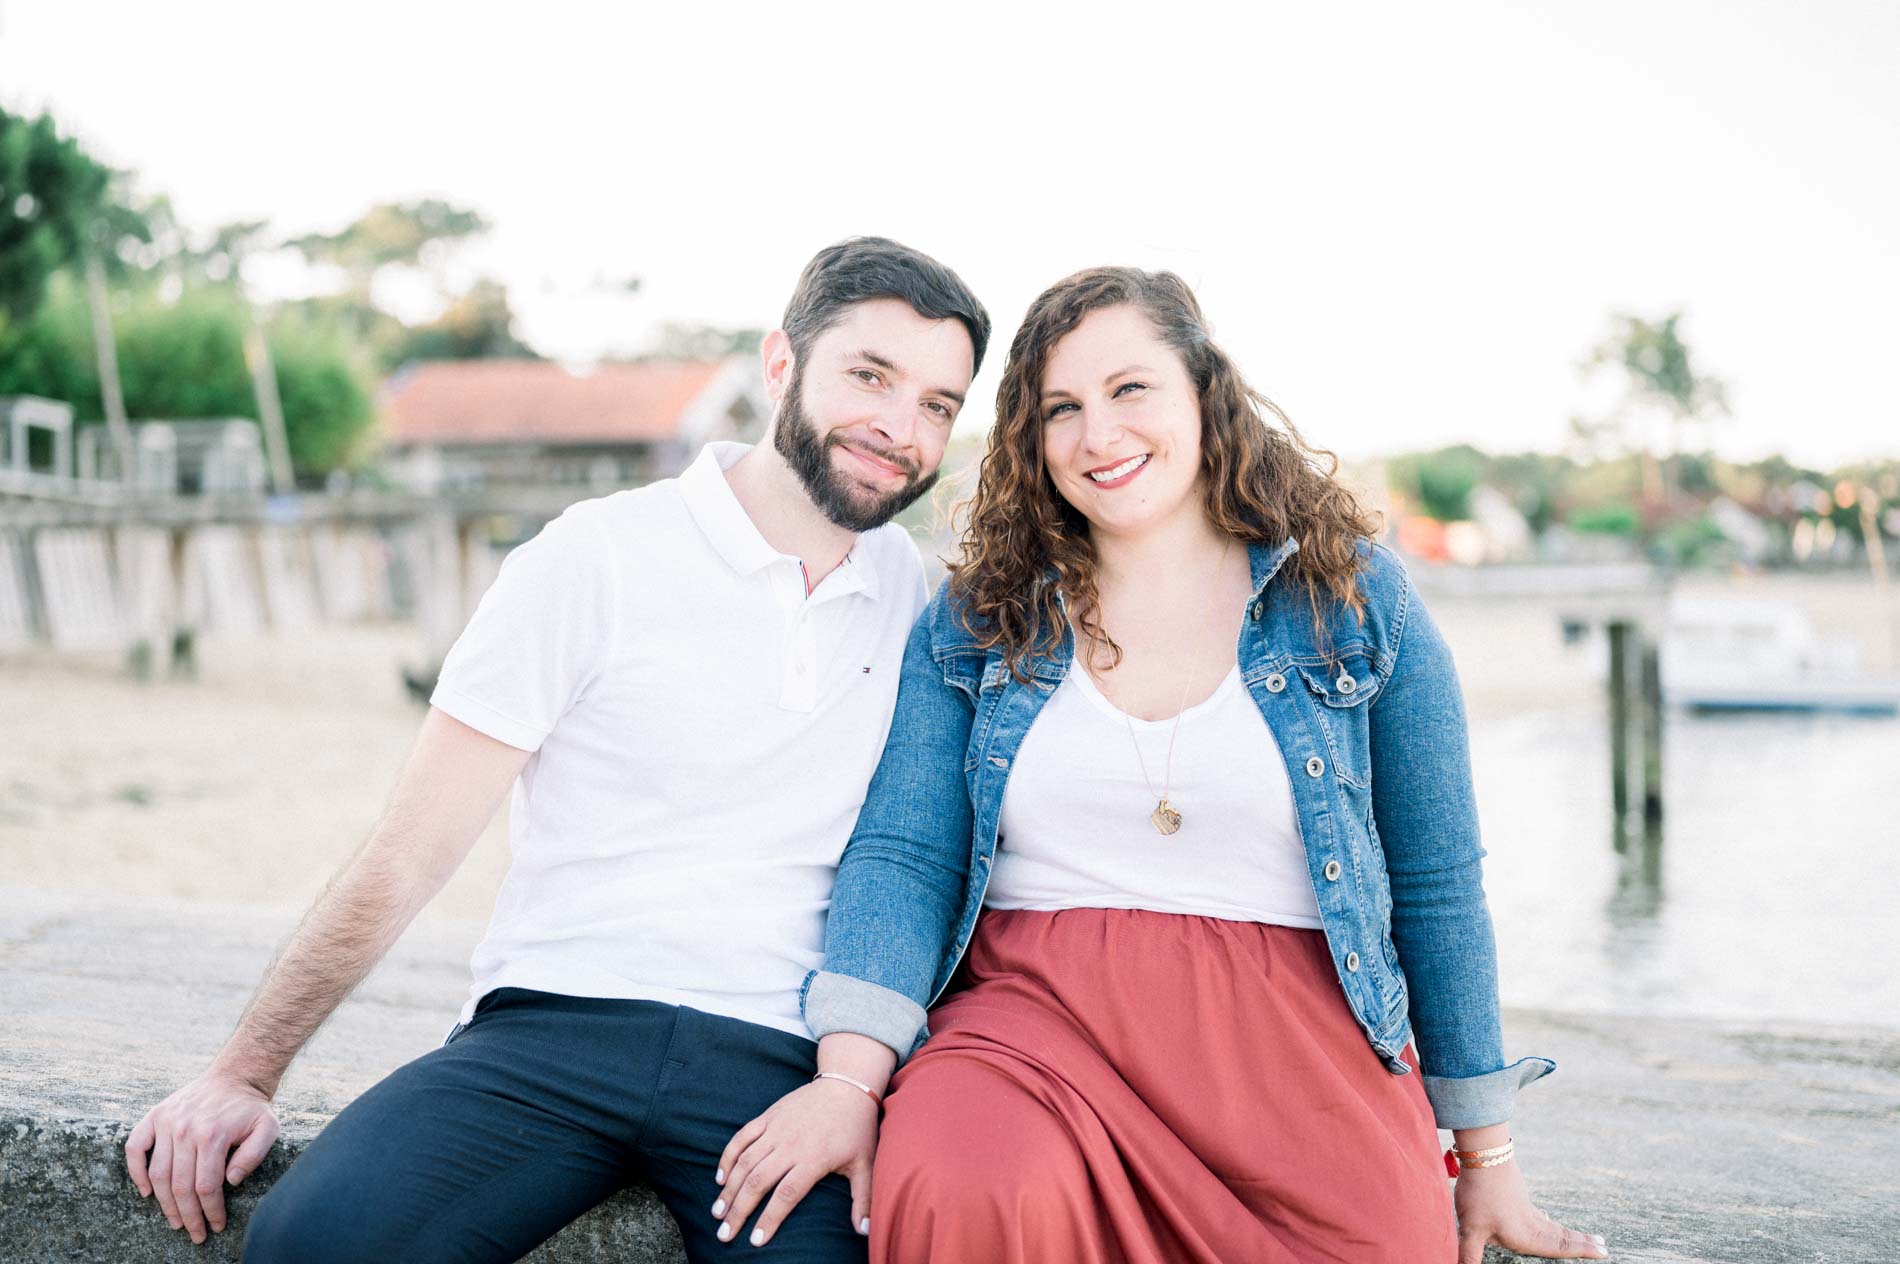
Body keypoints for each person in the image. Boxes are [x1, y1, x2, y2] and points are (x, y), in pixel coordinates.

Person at [122, 236, 990, 1264]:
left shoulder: (927, 611)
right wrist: (245, 1070)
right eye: (871, 375)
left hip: (775, 1060)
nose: (900, 426)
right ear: (780, 363)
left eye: (938, 403)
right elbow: (412, 848)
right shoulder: (592, 555)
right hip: (551, 1028)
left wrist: (850, 1085)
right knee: (315, 1243)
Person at [714, 267, 1608, 1263]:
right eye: (1062, 408)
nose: (1098, 434)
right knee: (966, 1183)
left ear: (1202, 392)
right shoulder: (978, 616)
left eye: (1129, 389)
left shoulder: (1351, 598)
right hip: (1030, 1029)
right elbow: (903, 858)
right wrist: (848, 1081)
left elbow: (1437, 885)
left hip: (1294, 1057)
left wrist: (1484, 1158)